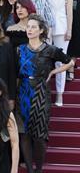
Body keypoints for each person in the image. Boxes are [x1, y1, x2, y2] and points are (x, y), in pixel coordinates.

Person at [17, 15, 74, 172]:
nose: (30, 29)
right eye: (28, 26)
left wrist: (54, 71)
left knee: (40, 136)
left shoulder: (50, 49)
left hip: (41, 92)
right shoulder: (20, 49)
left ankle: (39, 169)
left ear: (41, 30)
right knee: (24, 134)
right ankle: (30, 169)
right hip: (23, 92)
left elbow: (70, 62)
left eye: (33, 27)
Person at [42, 0, 77, 105]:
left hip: (62, 26)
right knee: (43, 60)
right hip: (45, 27)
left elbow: (69, 10)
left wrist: (69, 29)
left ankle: (60, 94)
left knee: (60, 63)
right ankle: (43, 94)